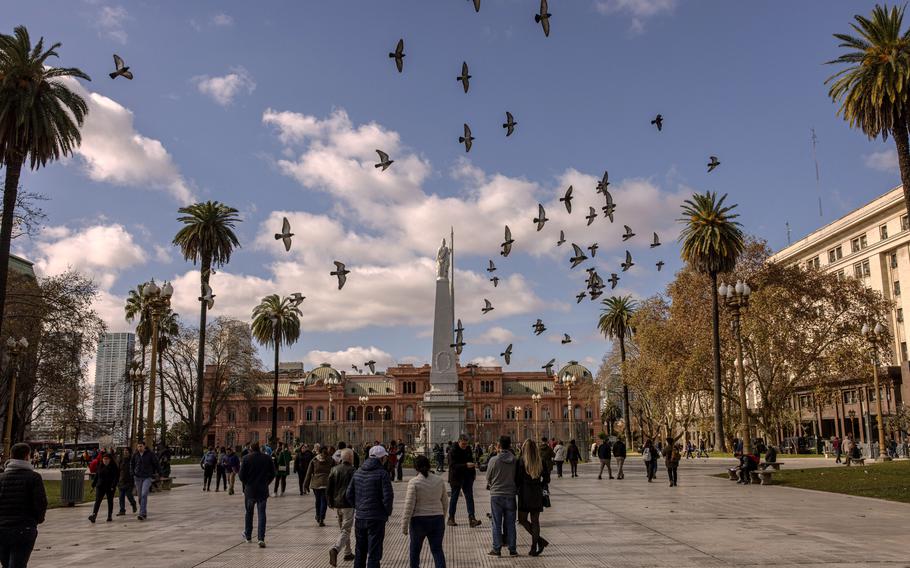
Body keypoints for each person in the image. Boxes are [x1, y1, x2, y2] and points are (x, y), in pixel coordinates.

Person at [346, 445, 394, 568]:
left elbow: (348, 494)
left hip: (361, 517)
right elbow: (388, 497)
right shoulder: (383, 474)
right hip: (376, 518)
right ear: (381, 458)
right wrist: (386, 513)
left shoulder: (358, 472)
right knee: (374, 553)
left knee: (360, 551)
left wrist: (359, 507)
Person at [0, 443, 47, 567]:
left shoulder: (1, 478)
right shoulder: (34, 477)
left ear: (11, 456)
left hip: (2, 528)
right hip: (24, 528)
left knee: (6, 564)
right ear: (27, 456)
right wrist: (37, 520)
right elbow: (40, 503)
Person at [402, 455, 447, 568]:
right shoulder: (439, 480)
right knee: (437, 550)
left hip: (419, 520)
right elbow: (445, 502)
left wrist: (404, 525)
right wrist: (443, 516)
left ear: (416, 468)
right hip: (437, 519)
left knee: (415, 551)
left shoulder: (414, 482)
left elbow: (409, 505)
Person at [516, 438, 550, 557]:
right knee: (535, 521)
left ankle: (540, 542)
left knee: (522, 520)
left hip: (524, 494)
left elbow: (517, 480)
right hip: (537, 493)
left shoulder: (521, 461)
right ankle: (535, 546)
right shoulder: (541, 461)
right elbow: (547, 479)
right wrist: (539, 485)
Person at [239, 441, 276, 548]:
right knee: (262, 514)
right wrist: (266, 483)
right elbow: (273, 473)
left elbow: (241, 476)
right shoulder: (267, 458)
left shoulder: (246, 458)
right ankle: (261, 538)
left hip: (250, 490)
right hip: (262, 490)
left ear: (250, 449)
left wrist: (247, 483)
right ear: (259, 448)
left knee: (249, 513)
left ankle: (248, 535)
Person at [486, 435, 518, 557]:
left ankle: (497, 548)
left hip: (496, 495)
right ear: (510, 445)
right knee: (511, 523)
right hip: (510, 494)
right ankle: (512, 548)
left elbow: (487, 477)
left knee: (496, 522)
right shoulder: (514, 460)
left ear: (499, 445)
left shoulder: (494, 460)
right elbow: (517, 476)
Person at [327, 448, 356, 567]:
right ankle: (335, 549)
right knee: (346, 529)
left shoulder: (334, 469)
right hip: (348, 505)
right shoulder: (353, 470)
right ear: (350, 458)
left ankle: (348, 552)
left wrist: (330, 502)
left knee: (343, 529)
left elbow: (329, 487)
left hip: (337, 504)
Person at [447, 435, 481, 528]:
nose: (465, 446)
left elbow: (471, 461)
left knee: (469, 497)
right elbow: (452, 465)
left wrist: (473, 475)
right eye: (463, 444)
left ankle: (472, 518)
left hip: (467, 477)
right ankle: (451, 518)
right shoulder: (452, 450)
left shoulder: (468, 449)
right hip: (456, 477)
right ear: (459, 442)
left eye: (466, 444)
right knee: (454, 497)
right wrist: (465, 465)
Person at [305, 445, 333, 526]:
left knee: (318, 500)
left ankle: (317, 515)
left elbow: (308, 473)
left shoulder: (314, 460)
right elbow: (335, 471)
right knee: (324, 501)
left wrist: (306, 485)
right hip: (326, 483)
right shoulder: (330, 460)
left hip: (316, 483)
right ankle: (321, 518)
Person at [131, 441, 160, 520]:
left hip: (147, 477)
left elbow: (156, 463)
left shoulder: (150, 454)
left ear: (144, 446)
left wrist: (159, 473)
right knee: (140, 496)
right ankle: (144, 511)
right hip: (137, 477)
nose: (140, 448)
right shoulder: (135, 455)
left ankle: (142, 513)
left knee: (144, 494)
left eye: (141, 446)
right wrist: (133, 473)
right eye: (138, 446)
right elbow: (132, 464)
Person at [89, 452, 119, 523]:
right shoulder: (100, 466)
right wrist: (93, 486)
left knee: (110, 501)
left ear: (110, 460)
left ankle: (109, 515)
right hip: (100, 486)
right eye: (104, 459)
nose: (105, 460)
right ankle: (94, 515)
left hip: (110, 487)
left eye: (107, 459)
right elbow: (96, 476)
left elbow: (116, 478)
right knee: (97, 501)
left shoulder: (114, 467)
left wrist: (113, 486)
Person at [116, 448, 137, 516]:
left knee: (129, 495)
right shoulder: (121, 460)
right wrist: (117, 480)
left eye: (127, 451)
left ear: (129, 452)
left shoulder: (132, 460)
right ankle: (122, 510)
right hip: (121, 481)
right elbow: (118, 470)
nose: (125, 452)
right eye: (124, 451)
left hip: (129, 481)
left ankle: (133, 504)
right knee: (121, 496)